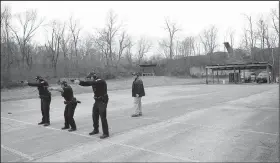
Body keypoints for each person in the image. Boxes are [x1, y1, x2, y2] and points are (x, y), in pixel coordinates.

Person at [71, 71, 109, 139]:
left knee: (103, 117)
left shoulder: (100, 81)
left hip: (102, 101)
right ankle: (96, 129)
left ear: (93, 76)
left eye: (90, 77)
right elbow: (86, 84)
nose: (89, 79)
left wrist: (79, 81)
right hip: (97, 101)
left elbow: (91, 83)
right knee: (94, 115)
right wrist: (78, 82)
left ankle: (106, 133)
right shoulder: (94, 81)